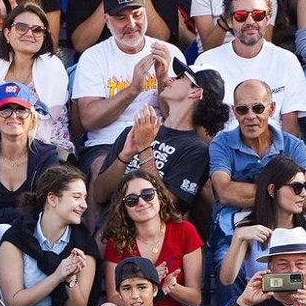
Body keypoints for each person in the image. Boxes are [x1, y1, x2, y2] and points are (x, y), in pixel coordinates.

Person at [0, 166, 99, 306]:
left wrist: (70, 280)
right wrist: (58, 275)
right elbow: (13, 303)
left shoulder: (83, 244)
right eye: (77, 197)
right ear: (53, 199)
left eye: (85, 198)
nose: (84, 205)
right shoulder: (16, 237)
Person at [92, 62, 228, 218]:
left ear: (196, 92)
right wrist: (124, 156)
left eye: (180, 77)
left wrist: (145, 148)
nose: (170, 79)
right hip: (114, 224)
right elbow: (99, 195)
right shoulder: (138, 129)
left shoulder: (197, 150)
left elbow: (166, 207)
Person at [71, 0, 181, 177]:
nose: (131, 24)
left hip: (161, 140)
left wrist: (162, 79)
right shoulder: (93, 57)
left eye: (137, 14)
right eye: (121, 17)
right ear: (106, 20)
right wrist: (132, 90)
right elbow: (89, 119)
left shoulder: (169, 52)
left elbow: (179, 118)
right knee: (100, 171)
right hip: (107, 142)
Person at [207, 82, 306, 272]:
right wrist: (282, 191)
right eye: (242, 109)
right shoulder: (222, 142)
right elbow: (224, 192)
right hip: (233, 226)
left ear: (272, 109)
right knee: (226, 263)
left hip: (286, 225)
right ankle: (234, 303)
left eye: (258, 108)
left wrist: (243, 190)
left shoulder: (294, 145)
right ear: (234, 111)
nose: (250, 116)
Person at [195, 0, 306, 136]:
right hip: (223, 152)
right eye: (241, 16)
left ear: (268, 19)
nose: (250, 21)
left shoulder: (286, 60)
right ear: (230, 21)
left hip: (274, 150)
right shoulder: (206, 62)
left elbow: (290, 128)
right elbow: (201, 126)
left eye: (258, 15)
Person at [101, 170, 204, 306]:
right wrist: (149, 283)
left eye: (148, 194)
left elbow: (195, 299)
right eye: (132, 200)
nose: (141, 202)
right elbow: (114, 298)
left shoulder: (185, 230)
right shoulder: (117, 240)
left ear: (160, 197)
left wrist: (171, 287)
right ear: (124, 207)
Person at [0, 82, 59, 252]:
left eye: (21, 109)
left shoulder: (47, 156)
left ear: (32, 117)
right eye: (5, 109)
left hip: (34, 237)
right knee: (0, 235)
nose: (13, 116)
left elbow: (45, 210)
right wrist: (21, 215)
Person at [0, 5, 71, 158]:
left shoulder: (53, 66)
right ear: (7, 34)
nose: (29, 33)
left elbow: (48, 119)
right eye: (21, 27)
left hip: (50, 147)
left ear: (44, 36)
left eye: (37, 29)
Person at [219, 159, 306, 299]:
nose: (304, 193)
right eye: (297, 187)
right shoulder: (251, 230)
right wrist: (238, 237)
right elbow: (227, 280)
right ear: (272, 190)